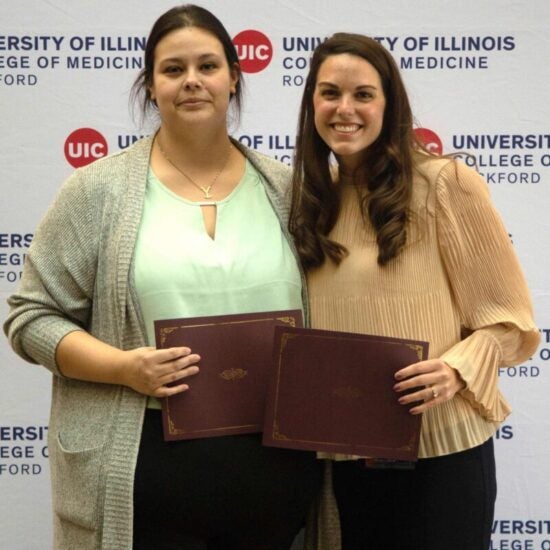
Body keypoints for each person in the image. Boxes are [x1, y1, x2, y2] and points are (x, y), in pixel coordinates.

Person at [3, 5, 322, 550]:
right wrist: (125, 367)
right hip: (145, 474)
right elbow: (29, 317)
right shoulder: (95, 192)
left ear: (234, 78)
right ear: (150, 86)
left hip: (275, 475)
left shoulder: (288, 190)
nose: (191, 81)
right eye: (173, 70)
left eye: (207, 65)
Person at [289, 32, 540, 550]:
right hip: (345, 465)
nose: (345, 109)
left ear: (390, 104)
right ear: (311, 102)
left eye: (363, 94)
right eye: (330, 93)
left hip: (443, 461)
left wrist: (455, 368)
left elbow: (512, 323)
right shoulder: (311, 203)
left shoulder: (446, 184)